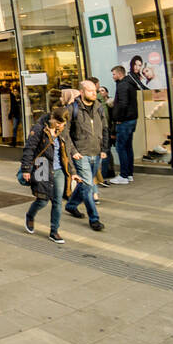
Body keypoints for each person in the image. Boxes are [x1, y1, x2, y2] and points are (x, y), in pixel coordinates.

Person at [20, 108, 76, 245]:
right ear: (53, 119)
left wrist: (73, 172)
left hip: (58, 169)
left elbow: (67, 151)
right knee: (42, 200)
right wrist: (26, 169)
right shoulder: (39, 128)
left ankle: (54, 231)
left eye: (63, 124)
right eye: (59, 123)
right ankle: (30, 215)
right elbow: (29, 148)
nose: (61, 126)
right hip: (42, 166)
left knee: (57, 201)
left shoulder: (63, 129)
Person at [62, 80, 108, 232]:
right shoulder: (72, 109)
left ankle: (71, 205)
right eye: (90, 91)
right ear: (81, 92)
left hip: (96, 152)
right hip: (81, 154)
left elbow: (105, 127)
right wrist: (73, 151)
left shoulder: (99, 107)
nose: (94, 93)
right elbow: (65, 133)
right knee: (88, 186)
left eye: (95, 90)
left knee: (84, 183)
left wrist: (104, 148)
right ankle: (94, 219)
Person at [110, 64, 138, 184]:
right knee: (128, 147)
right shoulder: (130, 84)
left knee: (121, 147)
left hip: (125, 120)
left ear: (120, 74)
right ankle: (129, 173)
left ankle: (124, 175)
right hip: (131, 119)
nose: (113, 77)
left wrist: (118, 118)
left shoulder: (122, 85)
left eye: (114, 74)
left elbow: (123, 103)